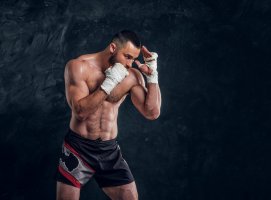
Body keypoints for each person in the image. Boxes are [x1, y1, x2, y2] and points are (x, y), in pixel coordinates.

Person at [55, 30, 161, 200]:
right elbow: (80, 112)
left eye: (133, 59)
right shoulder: (78, 67)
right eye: (127, 56)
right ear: (113, 48)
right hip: (78, 148)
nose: (130, 64)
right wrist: (109, 82)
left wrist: (152, 77)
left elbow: (152, 113)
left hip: (109, 150)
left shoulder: (132, 75)